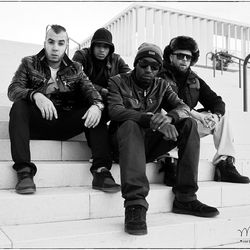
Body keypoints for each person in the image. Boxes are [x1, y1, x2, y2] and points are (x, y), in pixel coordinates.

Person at [108, 43, 219, 236]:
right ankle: (135, 205)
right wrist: (152, 120)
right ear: (136, 64)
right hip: (121, 146)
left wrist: (169, 118)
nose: (149, 70)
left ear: (159, 69)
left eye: (154, 67)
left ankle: (185, 197)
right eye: (144, 65)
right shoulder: (118, 81)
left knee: (188, 124)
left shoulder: (161, 85)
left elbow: (183, 107)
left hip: (146, 147)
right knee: (129, 123)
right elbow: (115, 111)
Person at [7, 24, 118, 195]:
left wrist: (97, 105)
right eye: (51, 42)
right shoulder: (29, 63)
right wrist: (36, 95)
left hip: (65, 122)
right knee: (19, 106)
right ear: (45, 42)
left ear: (66, 45)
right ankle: (24, 172)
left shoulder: (75, 68)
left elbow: (92, 93)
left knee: (97, 110)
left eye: (60, 43)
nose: (55, 48)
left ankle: (101, 171)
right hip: (39, 123)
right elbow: (13, 89)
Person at [158, 36, 249, 184]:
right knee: (162, 111)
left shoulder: (194, 79)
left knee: (222, 117)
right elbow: (165, 103)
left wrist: (215, 116)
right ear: (170, 56)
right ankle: (170, 162)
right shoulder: (159, 74)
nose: (184, 60)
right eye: (180, 55)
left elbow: (216, 101)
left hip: (189, 125)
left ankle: (224, 164)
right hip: (166, 126)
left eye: (188, 57)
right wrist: (195, 114)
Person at [72, 27, 130, 185]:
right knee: (96, 115)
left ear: (110, 49)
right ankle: (101, 167)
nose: (102, 50)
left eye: (106, 47)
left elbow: (130, 80)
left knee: (123, 109)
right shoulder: (82, 55)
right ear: (92, 46)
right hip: (82, 102)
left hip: (105, 104)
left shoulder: (116, 60)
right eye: (98, 46)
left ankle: (112, 153)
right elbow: (75, 78)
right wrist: (103, 91)